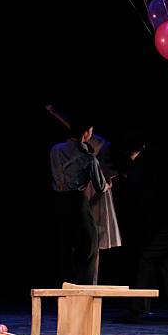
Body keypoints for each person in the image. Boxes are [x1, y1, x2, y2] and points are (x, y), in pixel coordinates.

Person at [46, 104, 124, 284]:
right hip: (77, 201)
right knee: (91, 245)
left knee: (67, 245)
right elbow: (99, 186)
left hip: (59, 201)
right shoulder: (89, 159)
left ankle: (66, 284)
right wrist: (108, 185)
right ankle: (86, 287)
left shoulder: (55, 149)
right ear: (87, 134)